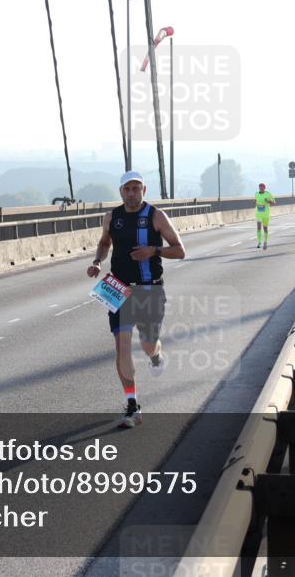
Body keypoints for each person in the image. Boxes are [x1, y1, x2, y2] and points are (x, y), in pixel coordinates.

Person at [87, 170, 186, 428]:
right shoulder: (112, 217)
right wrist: (97, 261)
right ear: (121, 192)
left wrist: (154, 250)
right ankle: (133, 406)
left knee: (147, 343)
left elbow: (180, 250)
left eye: (136, 188)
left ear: (144, 190)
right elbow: (104, 243)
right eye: (127, 189)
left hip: (150, 288)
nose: (131, 193)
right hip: (118, 288)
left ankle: (156, 355)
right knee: (122, 344)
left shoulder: (156, 216)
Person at [254, 182, 276, 250]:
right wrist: (255, 203)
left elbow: (274, 203)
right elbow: (255, 201)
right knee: (258, 227)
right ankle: (259, 242)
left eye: (262, 187)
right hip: (258, 214)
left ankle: (265, 242)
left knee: (265, 228)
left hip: (266, 214)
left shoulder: (268, 194)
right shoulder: (256, 194)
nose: (261, 188)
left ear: (264, 188)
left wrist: (268, 201)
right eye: (260, 187)